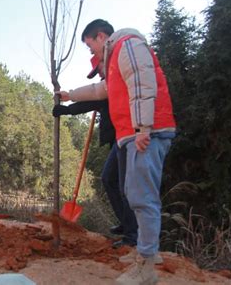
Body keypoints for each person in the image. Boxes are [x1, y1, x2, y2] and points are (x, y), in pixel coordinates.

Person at [57, 19, 175, 284]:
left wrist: (143, 128)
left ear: (100, 37)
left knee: (142, 197)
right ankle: (146, 254)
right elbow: (101, 91)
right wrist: (70, 95)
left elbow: (143, 84)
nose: (92, 54)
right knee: (135, 194)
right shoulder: (114, 61)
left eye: (90, 47)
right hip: (134, 134)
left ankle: (145, 266)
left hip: (145, 133)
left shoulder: (127, 45)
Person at [53, 55, 138, 249]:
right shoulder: (105, 84)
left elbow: (90, 103)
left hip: (125, 137)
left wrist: (66, 110)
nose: (98, 73)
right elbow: (92, 100)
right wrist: (67, 108)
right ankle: (127, 225)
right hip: (117, 139)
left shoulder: (114, 82)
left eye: (98, 68)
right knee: (110, 179)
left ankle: (133, 236)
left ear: (105, 61)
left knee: (123, 185)